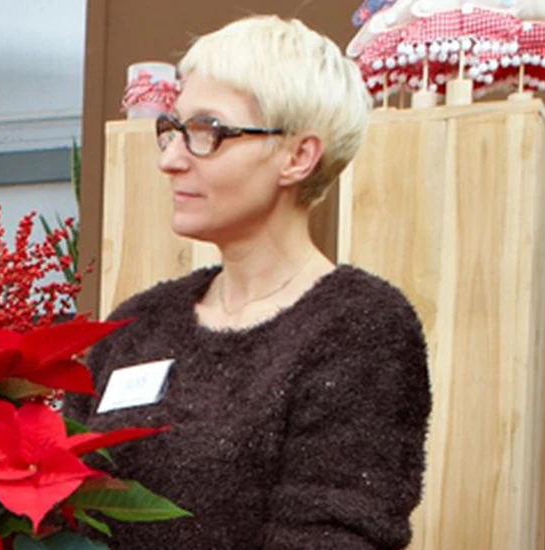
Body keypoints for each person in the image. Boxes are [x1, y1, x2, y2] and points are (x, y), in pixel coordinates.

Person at [67, 15, 431, 549]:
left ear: (298, 156)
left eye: (206, 132)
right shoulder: (138, 325)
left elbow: (332, 534)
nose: (170, 159)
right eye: (173, 129)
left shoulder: (360, 328)